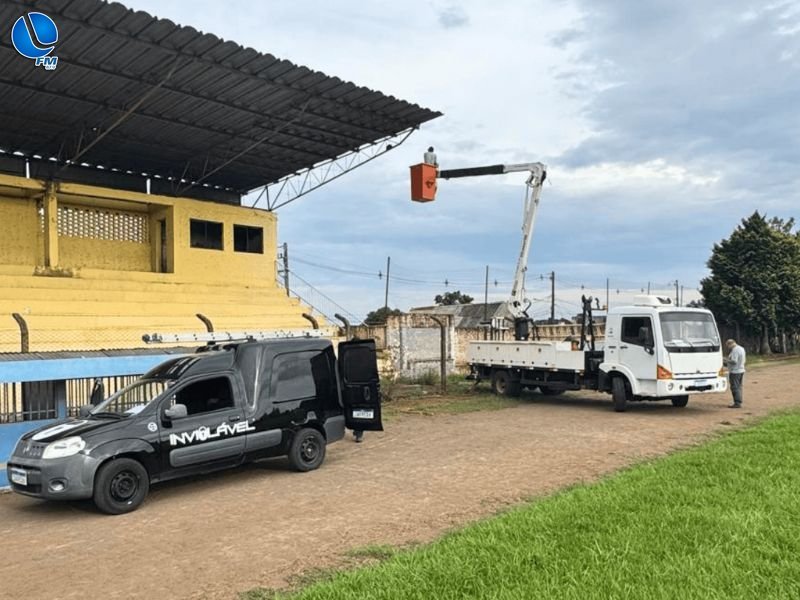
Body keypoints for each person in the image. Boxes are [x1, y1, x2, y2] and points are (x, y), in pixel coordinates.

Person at [724, 339, 746, 408]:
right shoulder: (741, 348)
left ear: (730, 344)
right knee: (739, 386)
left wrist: (725, 360)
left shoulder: (735, 350)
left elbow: (734, 361)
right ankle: (739, 400)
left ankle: (737, 402)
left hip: (735, 371)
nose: (728, 348)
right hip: (741, 369)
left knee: (735, 387)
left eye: (728, 346)